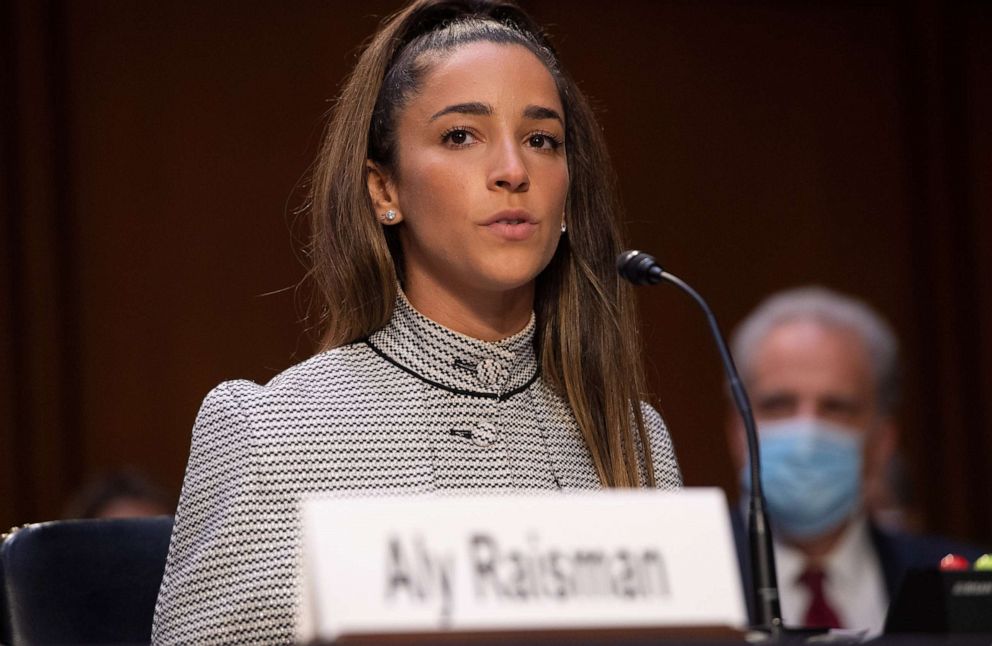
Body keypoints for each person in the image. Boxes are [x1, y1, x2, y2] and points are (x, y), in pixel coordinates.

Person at [152, 1, 682, 643]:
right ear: (385, 191)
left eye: (542, 140)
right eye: (461, 135)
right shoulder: (271, 438)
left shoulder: (633, 439)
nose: (514, 171)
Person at [726, 287, 982, 637]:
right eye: (779, 405)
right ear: (737, 431)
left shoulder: (965, 589)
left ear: (882, 440)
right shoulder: (687, 580)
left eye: (836, 407)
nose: (807, 433)